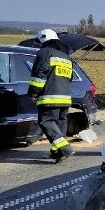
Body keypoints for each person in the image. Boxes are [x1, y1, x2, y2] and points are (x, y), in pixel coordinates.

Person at [27, 29, 75, 162]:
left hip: (50, 96)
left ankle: (65, 148)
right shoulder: (66, 57)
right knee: (60, 124)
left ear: (43, 39)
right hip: (65, 98)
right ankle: (57, 152)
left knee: (46, 121)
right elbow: (69, 78)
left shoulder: (44, 53)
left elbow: (39, 75)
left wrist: (33, 92)